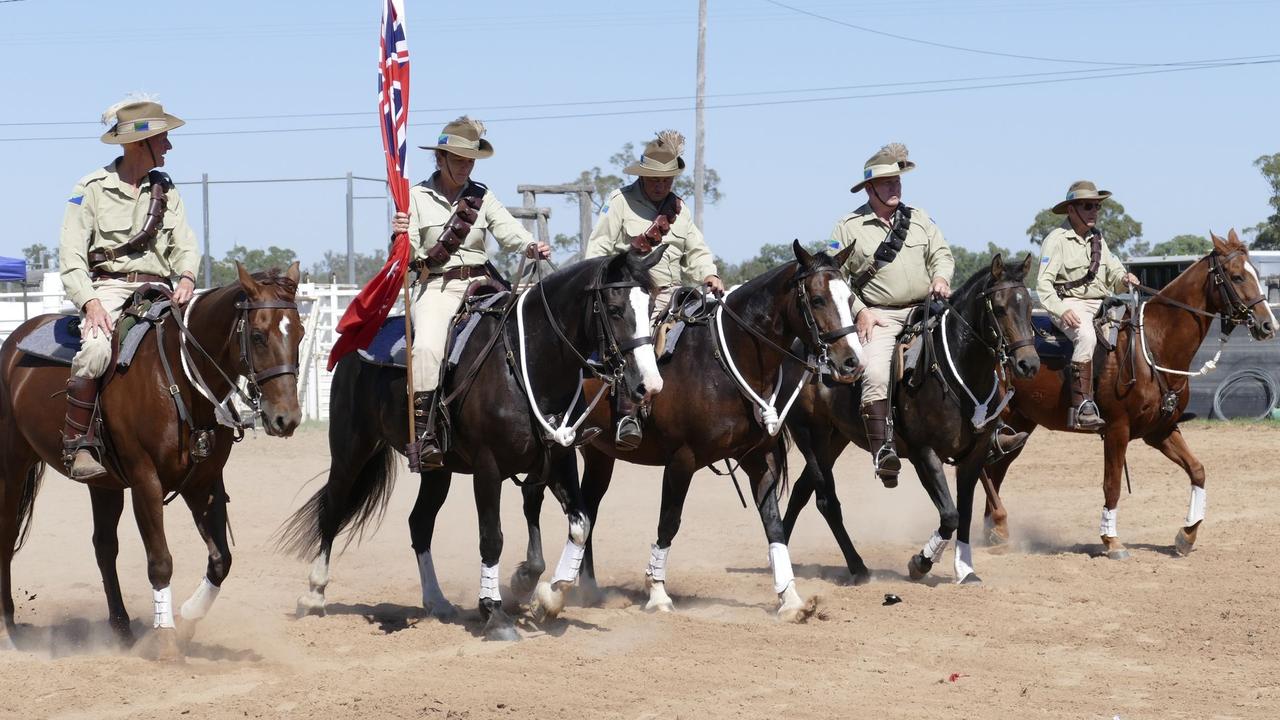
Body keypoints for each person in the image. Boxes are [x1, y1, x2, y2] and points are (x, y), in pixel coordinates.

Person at [390, 116, 550, 469]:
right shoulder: (415, 197)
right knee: (429, 346)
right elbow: (407, 253)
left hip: (485, 285)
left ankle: (543, 420)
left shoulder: (482, 196)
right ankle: (425, 433)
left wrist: (529, 246)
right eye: (459, 159)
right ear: (440, 158)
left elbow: (508, 232)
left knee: (530, 331)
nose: (465, 166)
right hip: (438, 286)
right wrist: (401, 234)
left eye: (470, 160)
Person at [58, 96, 200, 481]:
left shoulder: (165, 189)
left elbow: (184, 244)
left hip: (163, 288)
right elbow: (71, 253)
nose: (169, 146)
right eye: (164, 139)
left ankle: (211, 426)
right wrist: (89, 302)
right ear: (142, 143)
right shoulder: (90, 189)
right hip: (110, 289)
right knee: (97, 347)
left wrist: (187, 276)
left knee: (203, 340)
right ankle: (80, 444)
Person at [584, 130, 723, 449]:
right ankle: (626, 415)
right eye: (654, 178)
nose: (661, 184)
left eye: (667, 179)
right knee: (638, 341)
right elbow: (598, 247)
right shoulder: (620, 201)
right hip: (630, 294)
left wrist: (709, 274)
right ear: (643, 175)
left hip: (673, 291)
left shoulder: (679, 209)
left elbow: (696, 250)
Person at [831, 143, 953, 486]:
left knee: (973, 343)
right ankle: (883, 450)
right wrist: (860, 311)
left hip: (926, 309)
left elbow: (942, 254)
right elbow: (833, 278)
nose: (894, 187)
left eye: (897, 181)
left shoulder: (921, 219)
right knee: (873, 373)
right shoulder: (848, 227)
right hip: (880, 316)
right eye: (886, 183)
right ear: (869, 188)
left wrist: (941, 277)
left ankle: (988, 426)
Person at [1035, 180, 1139, 431]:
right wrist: (1062, 310)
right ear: (1071, 210)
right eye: (1088, 205)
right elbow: (1043, 286)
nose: (1094, 211)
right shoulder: (1056, 240)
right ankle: (1084, 406)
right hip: (1070, 305)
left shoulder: (1098, 240)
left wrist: (1125, 279)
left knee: (1137, 329)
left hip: (1101, 304)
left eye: (1096, 206)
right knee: (1086, 336)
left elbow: (1114, 273)